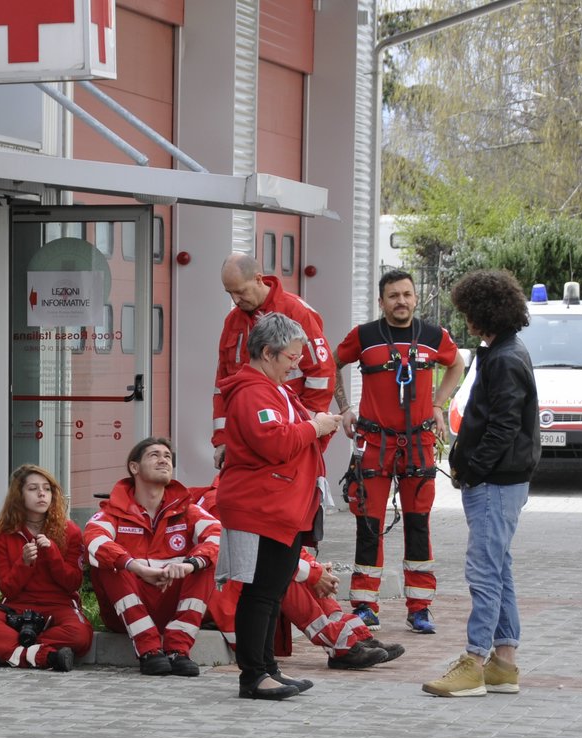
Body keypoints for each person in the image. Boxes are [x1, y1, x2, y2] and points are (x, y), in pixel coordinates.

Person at [213, 312, 343, 700]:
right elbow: (275, 443)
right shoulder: (254, 392)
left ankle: (267, 668)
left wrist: (315, 424)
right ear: (268, 353)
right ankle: (254, 675)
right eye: (290, 358)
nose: (296, 366)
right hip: (261, 509)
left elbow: (289, 434)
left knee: (271, 593)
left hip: (281, 509)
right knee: (260, 593)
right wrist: (316, 427)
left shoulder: (274, 390)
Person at [424, 269, 539, 698]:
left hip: (494, 483)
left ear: (482, 313)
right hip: (498, 481)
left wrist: (472, 468)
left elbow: (504, 425)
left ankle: (473, 662)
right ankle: (503, 663)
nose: (464, 319)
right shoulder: (502, 351)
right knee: (499, 567)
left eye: (468, 312)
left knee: (484, 571)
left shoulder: (505, 358)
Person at [333, 269, 466, 634]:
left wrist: (439, 402)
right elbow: (331, 364)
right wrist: (344, 409)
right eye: (393, 295)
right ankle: (364, 605)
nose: (401, 301)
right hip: (374, 444)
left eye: (407, 294)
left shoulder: (433, 336)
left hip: (418, 444)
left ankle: (420, 608)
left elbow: (457, 364)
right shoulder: (364, 336)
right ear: (381, 301)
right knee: (369, 524)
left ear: (415, 298)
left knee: (418, 524)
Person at [198, 483, 404, 670]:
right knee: (284, 575)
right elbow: (254, 553)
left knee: (296, 571)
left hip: (238, 584)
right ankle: (338, 643)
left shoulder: (254, 493)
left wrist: (316, 570)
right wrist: (310, 573)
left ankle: (355, 636)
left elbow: (283, 545)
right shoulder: (224, 500)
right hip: (217, 594)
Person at [85, 438, 220, 676]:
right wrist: (136, 567)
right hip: (126, 615)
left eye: (167, 456)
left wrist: (190, 565)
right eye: (154, 455)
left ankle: (178, 650)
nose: (163, 460)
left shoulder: (188, 510)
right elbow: (94, 540)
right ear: (134, 467)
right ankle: (148, 650)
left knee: (205, 564)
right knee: (109, 563)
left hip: (171, 602)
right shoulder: (112, 511)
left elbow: (218, 537)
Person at [214, 253, 333, 468]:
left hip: (287, 433)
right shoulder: (233, 321)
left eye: (240, 291)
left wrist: (309, 427)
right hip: (247, 435)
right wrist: (221, 439)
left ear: (259, 279)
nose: (235, 300)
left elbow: (321, 373)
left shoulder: (295, 311)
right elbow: (223, 382)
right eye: (229, 293)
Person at [0, 465, 92, 671]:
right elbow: (7, 589)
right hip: (16, 607)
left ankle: (4, 651)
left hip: (59, 607)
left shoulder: (70, 531)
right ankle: (47, 657)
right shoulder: (2, 534)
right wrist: (23, 563)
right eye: (33, 488)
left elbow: (73, 583)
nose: (42, 494)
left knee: (79, 635)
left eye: (47, 489)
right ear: (19, 496)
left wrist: (52, 554)